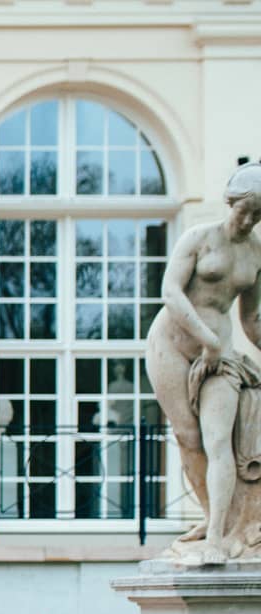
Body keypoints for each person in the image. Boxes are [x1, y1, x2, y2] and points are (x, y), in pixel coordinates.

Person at [146, 161, 261, 563]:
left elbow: (249, 318)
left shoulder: (256, 253)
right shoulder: (199, 237)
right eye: (244, 209)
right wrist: (207, 339)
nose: (248, 220)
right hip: (172, 344)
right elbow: (170, 292)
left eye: (258, 214)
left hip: (220, 355)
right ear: (231, 202)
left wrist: (231, 347)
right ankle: (211, 515)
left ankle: (217, 537)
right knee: (188, 437)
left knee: (217, 440)